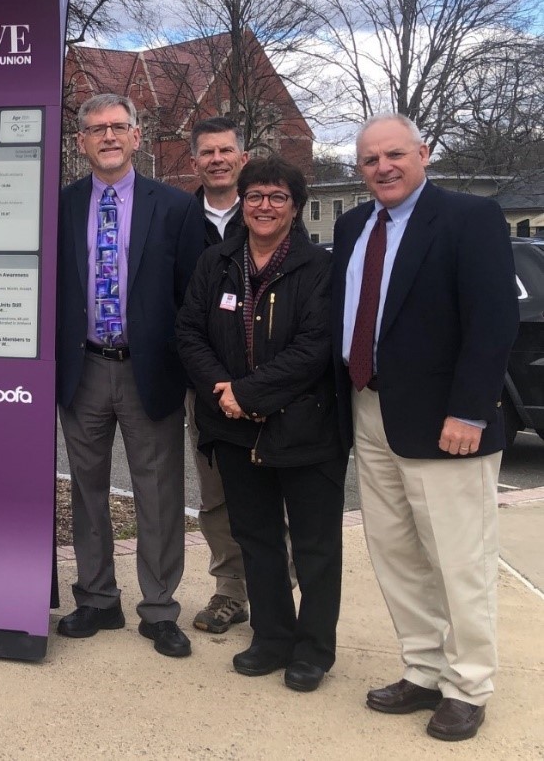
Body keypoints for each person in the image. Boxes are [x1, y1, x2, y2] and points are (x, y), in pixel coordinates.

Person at [331, 114, 518, 740]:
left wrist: (470, 409)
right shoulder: (354, 224)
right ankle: (423, 668)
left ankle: (468, 684)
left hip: (446, 423)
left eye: (394, 155)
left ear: (424, 154)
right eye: (369, 160)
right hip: (371, 409)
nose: (382, 168)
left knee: (458, 558)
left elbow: (492, 323)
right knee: (396, 553)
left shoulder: (469, 219)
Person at [177, 156, 346, 692]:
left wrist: (248, 392)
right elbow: (189, 334)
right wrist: (225, 395)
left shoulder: (318, 268)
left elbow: (315, 347)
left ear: (295, 207)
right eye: (255, 196)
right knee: (257, 538)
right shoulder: (216, 262)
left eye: (277, 197)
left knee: (316, 546)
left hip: (305, 428)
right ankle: (272, 638)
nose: (265, 206)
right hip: (232, 429)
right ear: (241, 203)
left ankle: (314, 648)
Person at [55, 93, 203, 658]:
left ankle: (160, 608)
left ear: (138, 136)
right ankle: (96, 598)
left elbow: (192, 297)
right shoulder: (63, 205)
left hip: (150, 370)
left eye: (119, 127)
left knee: (159, 493)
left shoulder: (175, 208)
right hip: (84, 366)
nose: (109, 137)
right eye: (97, 130)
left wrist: (189, 371)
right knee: (87, 491)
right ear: (82, 143)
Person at [184, 117, 251, 634]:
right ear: (195, 162)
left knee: (277, 487)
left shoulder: (272, 211)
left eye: (226, 150)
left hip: (274, 383)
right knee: (217, 494)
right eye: (207, 152)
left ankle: (277, 580)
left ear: (242, 158)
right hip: (206, 384)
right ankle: (230, 589)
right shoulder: (175, 220)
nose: (217, 159)